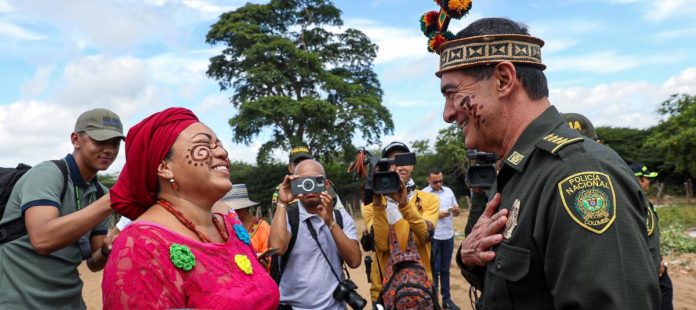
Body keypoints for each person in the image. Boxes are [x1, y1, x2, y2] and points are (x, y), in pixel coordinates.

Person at [434, 17, 660, 308]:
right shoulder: (520, 171)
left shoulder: (578, 173)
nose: (448, 114)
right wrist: (469, 258)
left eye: (453, 94)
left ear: (503, 80)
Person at [102, 107, 278, 309]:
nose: (222, 152)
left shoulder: (229, 222)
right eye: (204, 145)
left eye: (218, 145)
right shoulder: (141, 246)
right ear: (165, 168)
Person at [0, 108, 123, 309]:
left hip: (70, 302)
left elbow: (93, 263)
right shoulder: (48, 174)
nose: (109, 149)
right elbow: (42, 239)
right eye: (100, 141)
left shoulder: (100, 193)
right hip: (20, 303)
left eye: (115, 143)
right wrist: (111, 201)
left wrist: (107, 249)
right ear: (75, 139)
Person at [269, 159, 361, 309]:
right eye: (303, 182)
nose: (309, 187)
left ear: (326, 184)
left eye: (314, 181)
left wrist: (331, 222)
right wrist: (282, 202)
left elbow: (355, 261)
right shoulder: (287, 217)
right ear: (293, 184)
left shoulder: (340, 218)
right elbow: (277, 248)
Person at [361, 141, 440, 302]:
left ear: (412, 165)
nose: (399, 166)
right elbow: (382, 245)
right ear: (384, 167)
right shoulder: (370, 205)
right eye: (392, 162)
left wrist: (404, 204)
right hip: (383, 291)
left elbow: (424, 236)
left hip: (421, 287)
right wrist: (378, 203)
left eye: (404, 161)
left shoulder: (429, 200)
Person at [631, 163, 674, 310]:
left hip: (645, 262)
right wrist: (658, 261)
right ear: (639, 179)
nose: (649, 182)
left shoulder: (640, 202)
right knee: (664, 290)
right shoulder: (638, 203)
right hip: (646, 263)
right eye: (646, 179)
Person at [422, 167, 461, 310]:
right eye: (435, 182)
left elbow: (456, 213)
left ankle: (447, 300)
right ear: (428, 180)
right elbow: (420, 217)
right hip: (433, 237)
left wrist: (456, 211)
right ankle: (434, 301)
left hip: (448, 236)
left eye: (440, 181)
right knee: (434, 271)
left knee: (445, 270)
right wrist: (437, 215)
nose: (438, 184)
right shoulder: (423, 194)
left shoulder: (449, 191)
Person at [272, 145, 344, 210]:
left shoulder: (324, 184)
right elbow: (276, 220)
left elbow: (340, 213)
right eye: (297, 163)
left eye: (306, 162)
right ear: (289, 168)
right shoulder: (282, 190)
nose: (302, 166)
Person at [222, 183, 272, 268]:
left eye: (233, 210)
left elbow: (270, 257)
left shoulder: (262, 227)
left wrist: (264, 261)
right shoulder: (226, 227)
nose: (231, 213)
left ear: (243, 207)